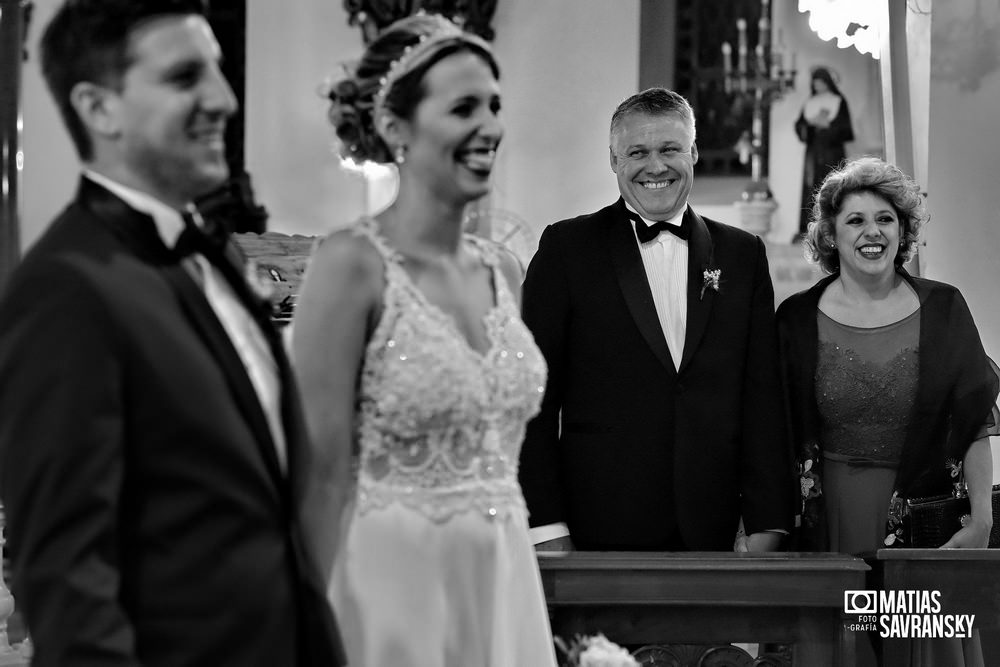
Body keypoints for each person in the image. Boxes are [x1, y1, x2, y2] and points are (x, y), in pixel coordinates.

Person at [0, 1, 344, 665]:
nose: (223, 97)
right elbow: (72, 581)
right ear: (101, 109)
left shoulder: (210, 258)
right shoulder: (67, 289)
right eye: (185, 77)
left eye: (218, 70)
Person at [291, 13, 557, 666]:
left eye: (494, 105)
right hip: (392, 579)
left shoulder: (504, 272)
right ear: (393, 127)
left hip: (501, 575)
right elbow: (318, 475)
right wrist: (301, 624)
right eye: (464, 106)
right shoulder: (351, 263)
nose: (489, 125)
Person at [519, 87, 794, 553]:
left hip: (716, 530)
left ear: (694, 152)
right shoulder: (567, 249)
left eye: (670, 149)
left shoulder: (743, 254)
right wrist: (545, 527)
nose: (656, 166)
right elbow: (530, 398)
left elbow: (762, 398)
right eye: (637, 152)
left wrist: (768, 522)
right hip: (597, 527)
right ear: (613, 159)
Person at [777, 157, 998, 666]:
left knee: (919, 653)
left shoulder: (946, 308)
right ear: (830, 234)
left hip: (928, 525)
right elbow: (773, 431)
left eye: (885, 219)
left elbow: (974, 423)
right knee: (839, 650)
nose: (872, 232)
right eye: (855, 220)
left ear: (904, 230)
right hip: (830, 524)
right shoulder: (793, 320)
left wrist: (982, 519)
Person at [794, 66, 854, 242]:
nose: (818, 85)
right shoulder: (810, 101)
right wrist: (809, 126)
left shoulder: (838, 101)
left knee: (833, 187)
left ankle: (833, 229)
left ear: (827, 82)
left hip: (832, 152)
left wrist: (828, 127)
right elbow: (800, 126)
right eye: (815, 83)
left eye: (821, 82)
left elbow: (846, 131)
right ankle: (809, 229)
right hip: (813, 153)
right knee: (811, 188)